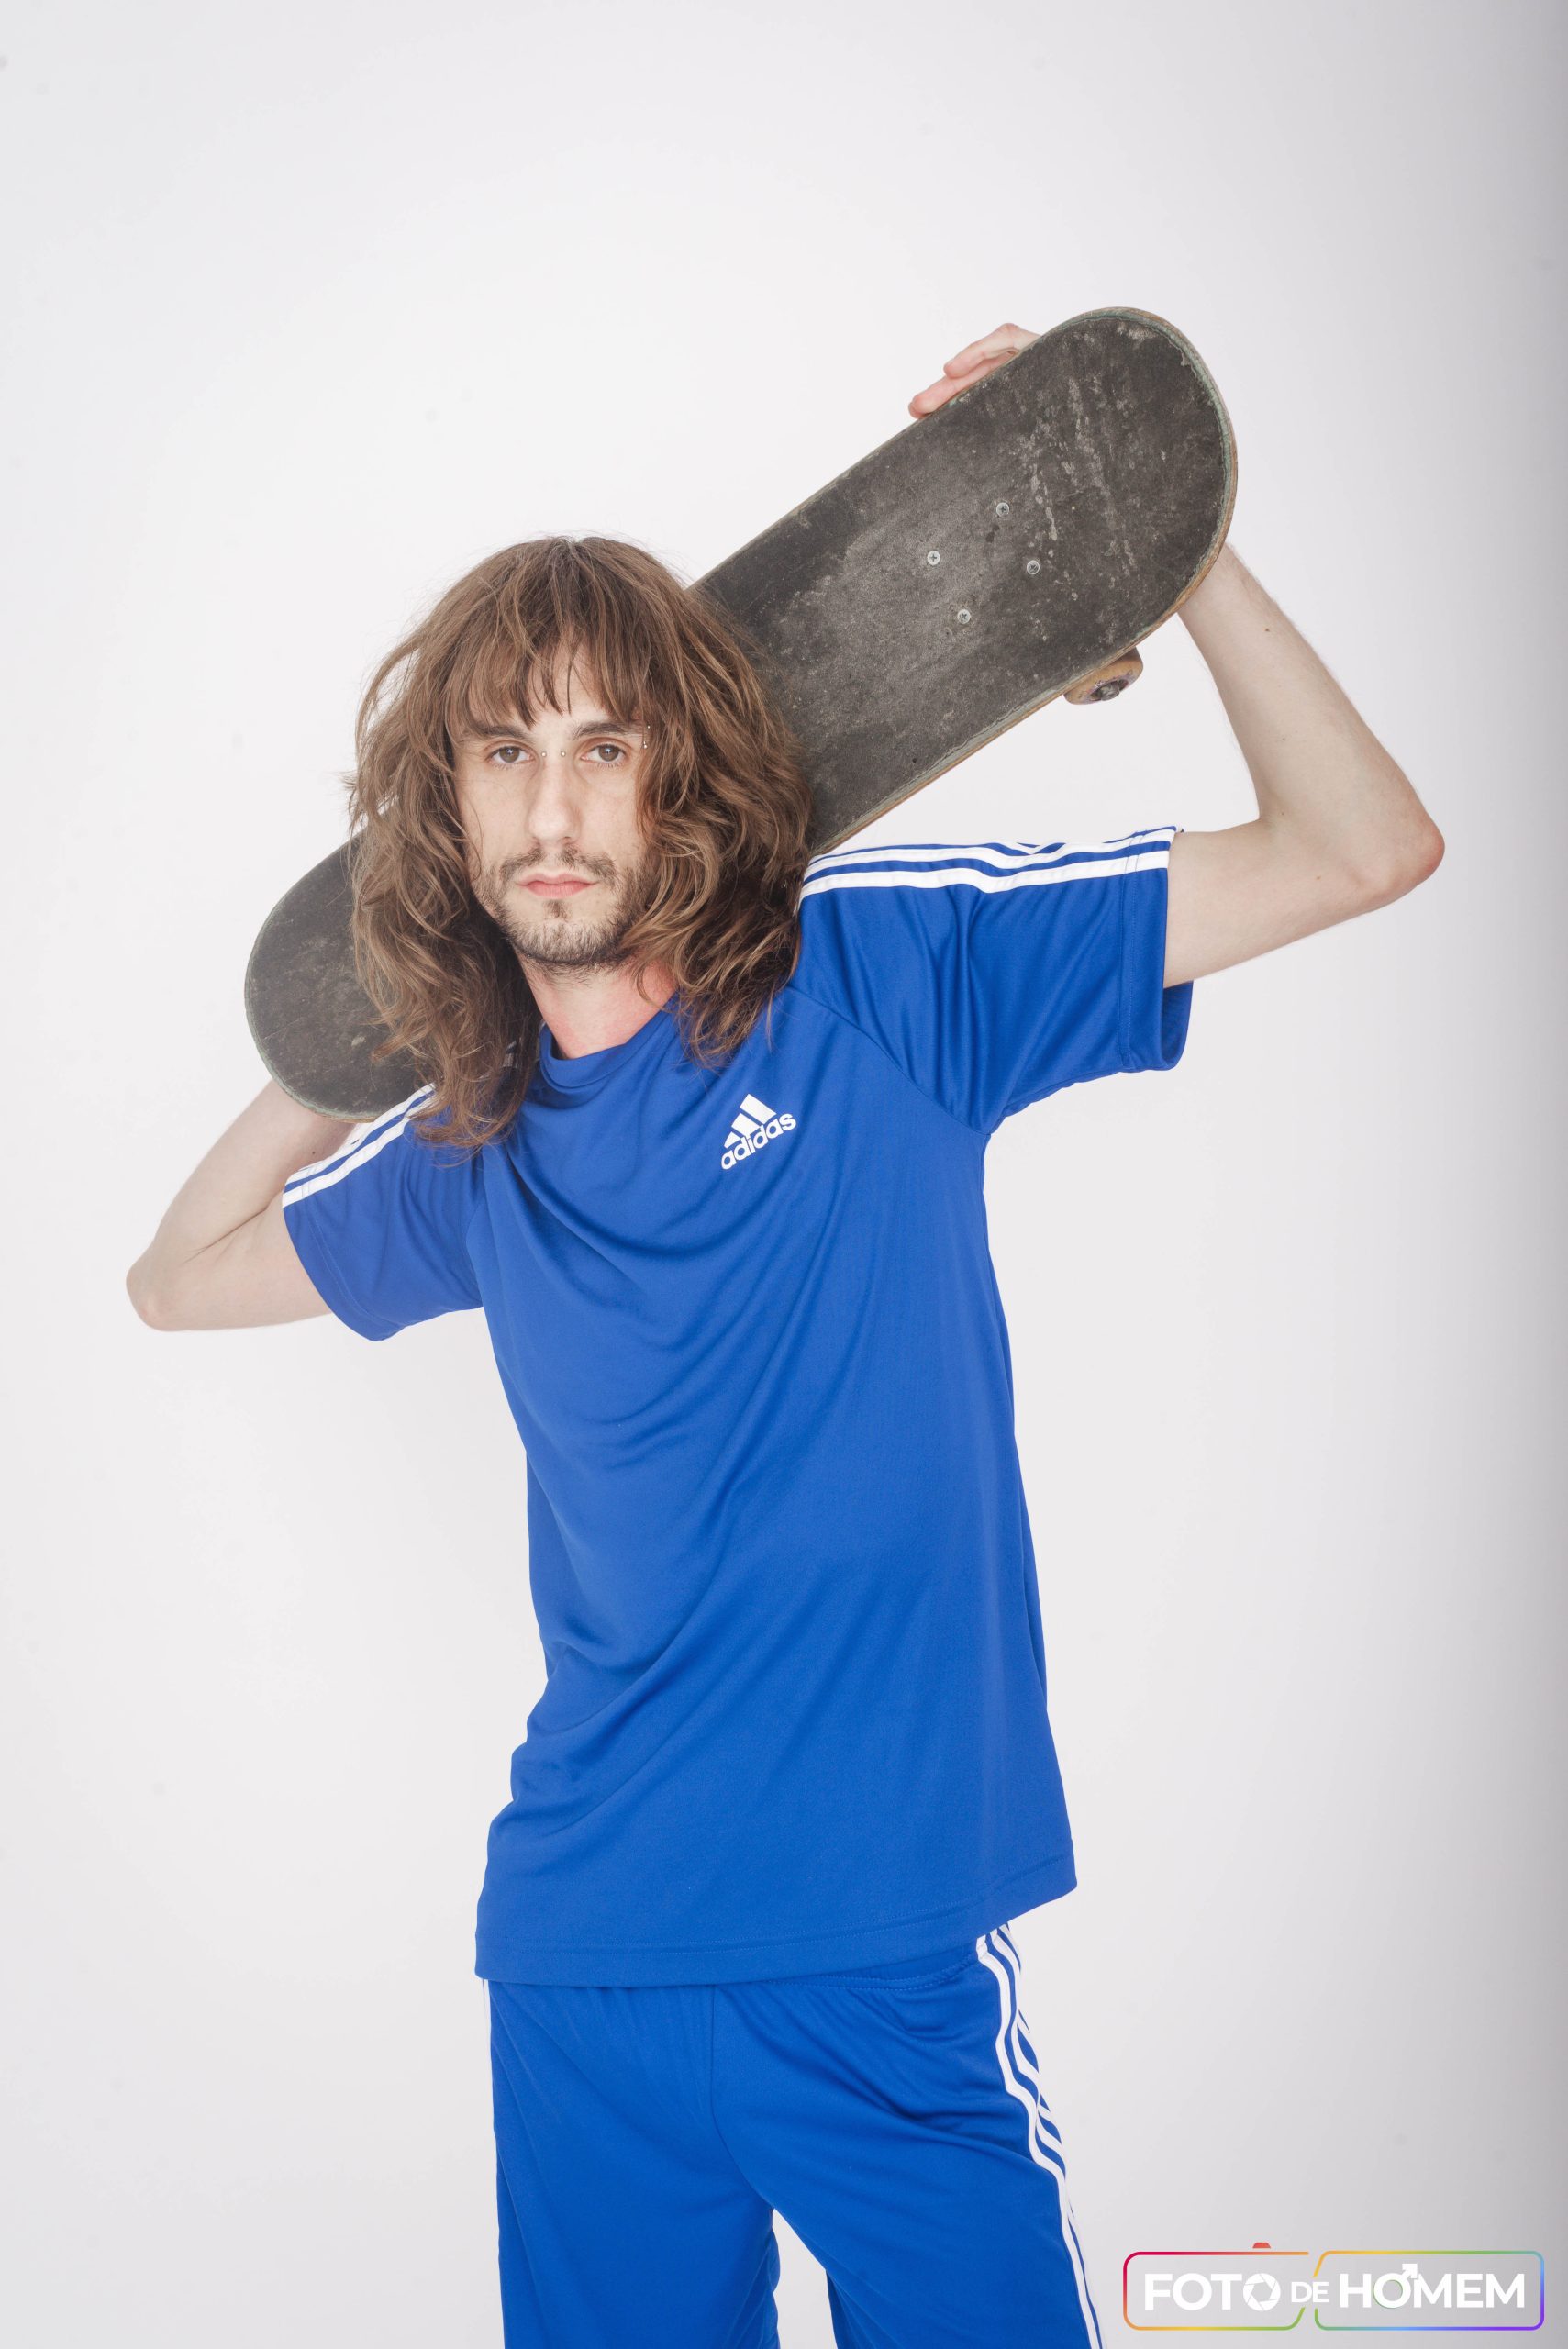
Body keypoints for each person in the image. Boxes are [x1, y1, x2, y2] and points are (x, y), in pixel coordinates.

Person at [127, 323, 1443, 2348]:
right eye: (500, 755)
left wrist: (1152, 539)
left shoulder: (886, 974)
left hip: (878, 1962)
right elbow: (175, 1273)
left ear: (675, 778)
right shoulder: (470, 1150)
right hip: (581, 1971)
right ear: (446, 815)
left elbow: (1362, 847)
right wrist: (366, 1009)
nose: (553, 807)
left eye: (603, 747)